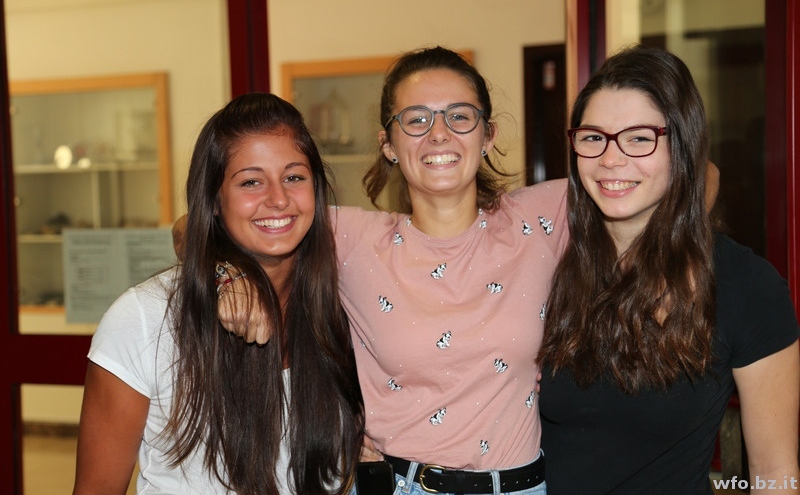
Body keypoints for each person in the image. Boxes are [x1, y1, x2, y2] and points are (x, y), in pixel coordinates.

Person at [220, 47, 567, 494]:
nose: (439, 134)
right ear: (388, 144)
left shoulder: (540, 219)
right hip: (400, 485)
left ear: (488, 135)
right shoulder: (352, 240)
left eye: (459, 116)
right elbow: (202, 224)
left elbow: (640, 188)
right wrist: (231, 274)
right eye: (416, 119)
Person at [536, 46, 800, 494]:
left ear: (683, 145)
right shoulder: (546, 258)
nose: (611, 159)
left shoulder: (746, 286)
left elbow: (775, 472)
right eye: (593, 137)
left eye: (640, 138)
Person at [73, 93, 363, 495]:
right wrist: (224, 271)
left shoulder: (346, 302)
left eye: (294, 177)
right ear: (213, 199)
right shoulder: (144, 318)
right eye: (251, 182)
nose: (278, 199)